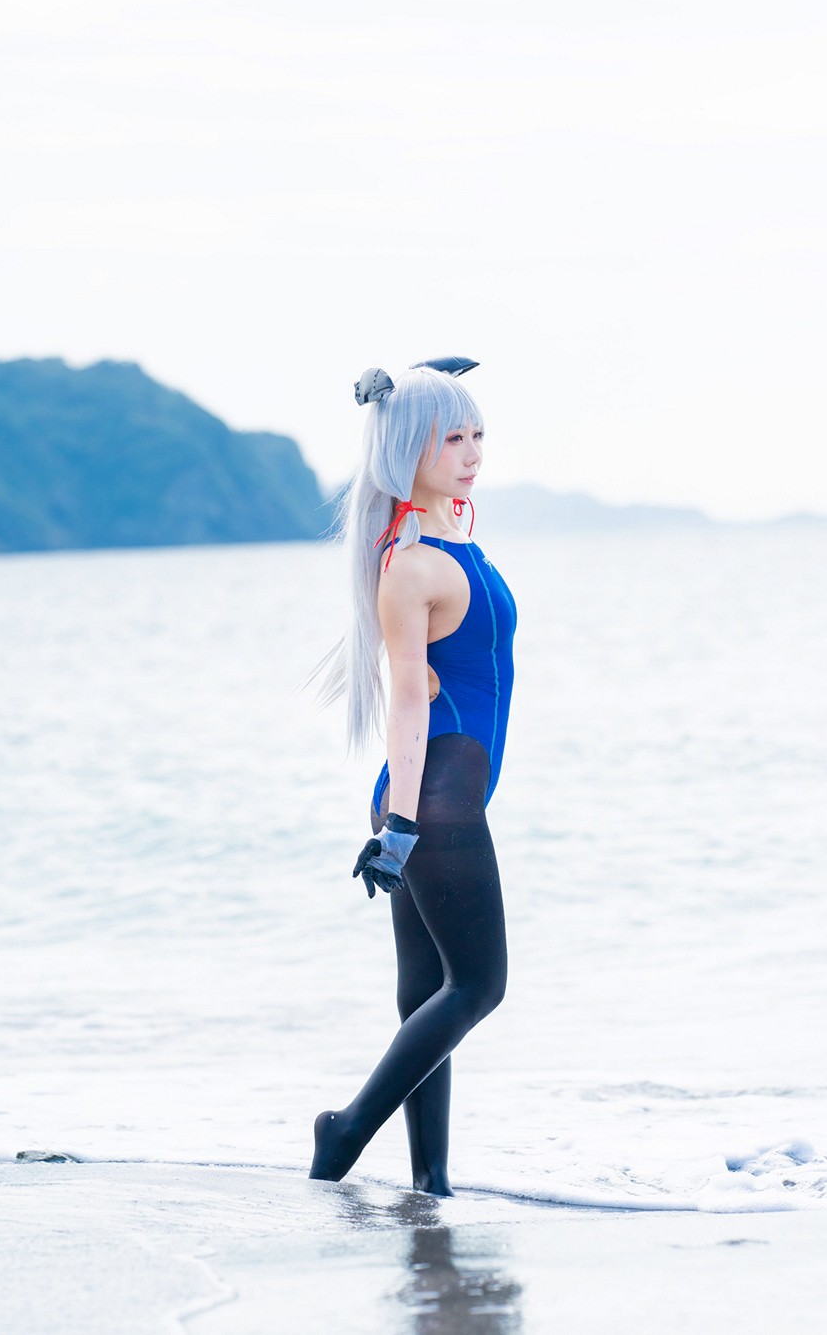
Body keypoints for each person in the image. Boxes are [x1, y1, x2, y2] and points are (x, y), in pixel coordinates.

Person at [309, 357, 517, 1195]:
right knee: (480, 985)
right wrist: (400, 825)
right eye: (451, 438)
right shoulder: (413, 564)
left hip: (434, 794)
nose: (472, 453)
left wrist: (425, 384)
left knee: (428, 991)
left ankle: (430, 1179)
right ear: (408, 449)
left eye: (477, 434)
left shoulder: (443, 540)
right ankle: (345, 1131)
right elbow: (406, 699)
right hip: (433, 799)